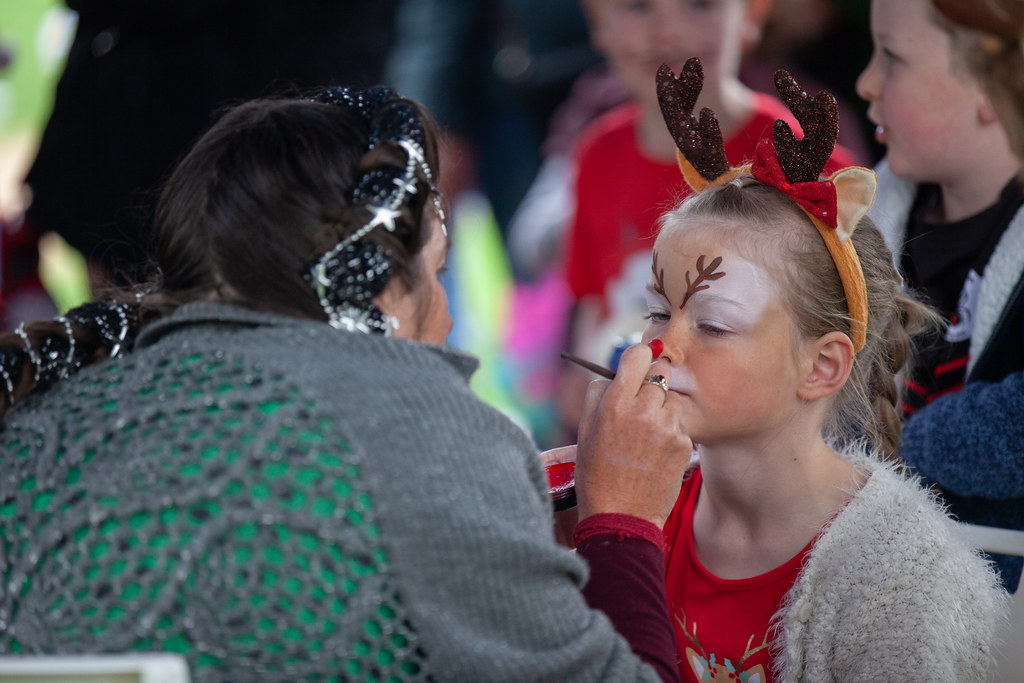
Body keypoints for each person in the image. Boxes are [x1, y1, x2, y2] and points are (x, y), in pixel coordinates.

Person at [0, 87, 693, 681]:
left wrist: (489, 517)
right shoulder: (420, 426)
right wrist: (623, 522)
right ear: (382, 287)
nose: (451, 317)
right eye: (441, 271)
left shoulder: (48, 418)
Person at [647, 59, 1004, 680]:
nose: (660, 347)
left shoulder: (900, 582)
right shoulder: (641, 507)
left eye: (712, 325)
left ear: (821, 366)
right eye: (656, 311)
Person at [557, 0, 861, 440]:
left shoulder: (802, 158)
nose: (666, 30)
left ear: (751, 16)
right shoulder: (596, 157)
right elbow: (592, 298)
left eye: (699, 4)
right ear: (597, 24)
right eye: (637, 7)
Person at [856, 0, 1024, 590]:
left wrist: (907, 441)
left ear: (990, 84)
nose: (865, 82)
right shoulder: (862, 223)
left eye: (893, 59)